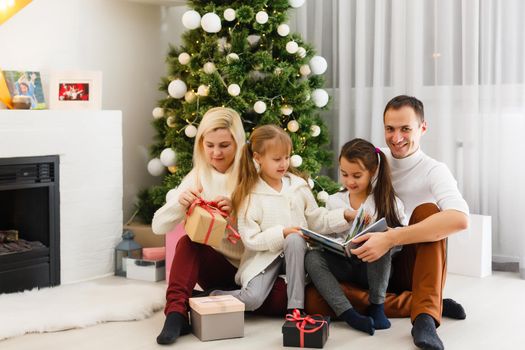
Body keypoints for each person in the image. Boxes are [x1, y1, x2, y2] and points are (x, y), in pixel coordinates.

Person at [152, 108, 287, 345]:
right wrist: (181, 203)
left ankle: (204, 300)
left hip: (255, 271)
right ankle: (175, 314)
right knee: (189, 242)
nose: (216, 153)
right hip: (217, 269)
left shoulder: (257, 173)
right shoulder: (199, 175)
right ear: (201, 143)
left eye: (224, 145)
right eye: (209, 145)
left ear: (238, 142)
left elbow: (278, 227)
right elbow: (158, 226)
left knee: (284, 300)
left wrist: (237, 215)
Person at [348, 95, 469, 349]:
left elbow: (460, 219)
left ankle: (424, 317)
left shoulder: (434, 170)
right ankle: (425, 300)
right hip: (374, 264)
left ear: (422, 128)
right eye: (390, 129)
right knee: (316, 297)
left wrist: (391, 237)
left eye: (405, 129)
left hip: (411, 265)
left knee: (427, 212)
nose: (396, 137)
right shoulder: (376, 163)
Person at [211, 125, 357, 316]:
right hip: (264, 259)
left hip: (297, 255)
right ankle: (211, 296)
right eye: (277, 159)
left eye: (287, 157)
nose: (283, 164)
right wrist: (282, 233)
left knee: (295, 239)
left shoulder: (298, 187)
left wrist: (343, 215)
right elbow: (250, 239)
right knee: (252, 300)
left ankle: (295, 308)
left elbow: (316, 220)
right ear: (257, 158)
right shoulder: (249, 195)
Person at [305, 138, 408, 335]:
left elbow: (402, 238)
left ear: (373, 172)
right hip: (345, 265)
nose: (349, 181)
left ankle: (377, 307)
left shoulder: (387, 201)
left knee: (381, 242)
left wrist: (384, 238)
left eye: (357, 175)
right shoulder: (335, 201)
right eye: (344, 174)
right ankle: (349, 314)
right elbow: (326, 231)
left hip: (374, 270)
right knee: (312, 257)